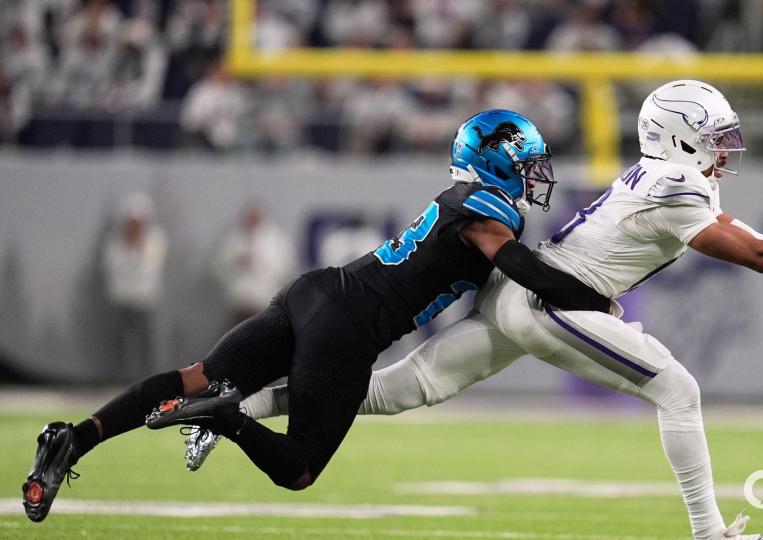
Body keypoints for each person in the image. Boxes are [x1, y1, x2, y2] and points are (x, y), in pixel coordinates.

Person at [197, 81, 763, 540]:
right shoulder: (675, 182)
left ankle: (233, 409)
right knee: (678, 388)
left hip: (522, 299)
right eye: (717, 138)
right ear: (683, 137)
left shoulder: (674, 176)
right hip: (547, 299)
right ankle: (710, 534)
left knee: (396, 390)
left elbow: (759, 243)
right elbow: (757, 257)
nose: (727, 150)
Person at [21, 109, 612, 523]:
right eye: (528, 161)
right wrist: (598, 300)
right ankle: (226, 418)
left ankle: (72, 439)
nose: (538, 173)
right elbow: (531, 276)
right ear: (496, 162)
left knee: (193, 377)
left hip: (315, 292)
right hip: (350, 327)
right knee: (298, 469)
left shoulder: (460, 200)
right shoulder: (485, 212)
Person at [102, 193, 168, 381]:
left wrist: (137, 247)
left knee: (146, 342)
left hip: (144, 299)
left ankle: (148, 378)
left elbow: (150, 268)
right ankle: (117, 378)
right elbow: (113, 268)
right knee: (119, 342)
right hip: (121, 299)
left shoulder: (155, 239)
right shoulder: (115, 241)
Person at [213, 201, 296, 327]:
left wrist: (260, 265)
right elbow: (219, 266)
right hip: (239, 303)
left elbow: (285, 267)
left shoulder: (276, 238)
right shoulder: (233, 237)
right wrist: (237, 263)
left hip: (264, 301)